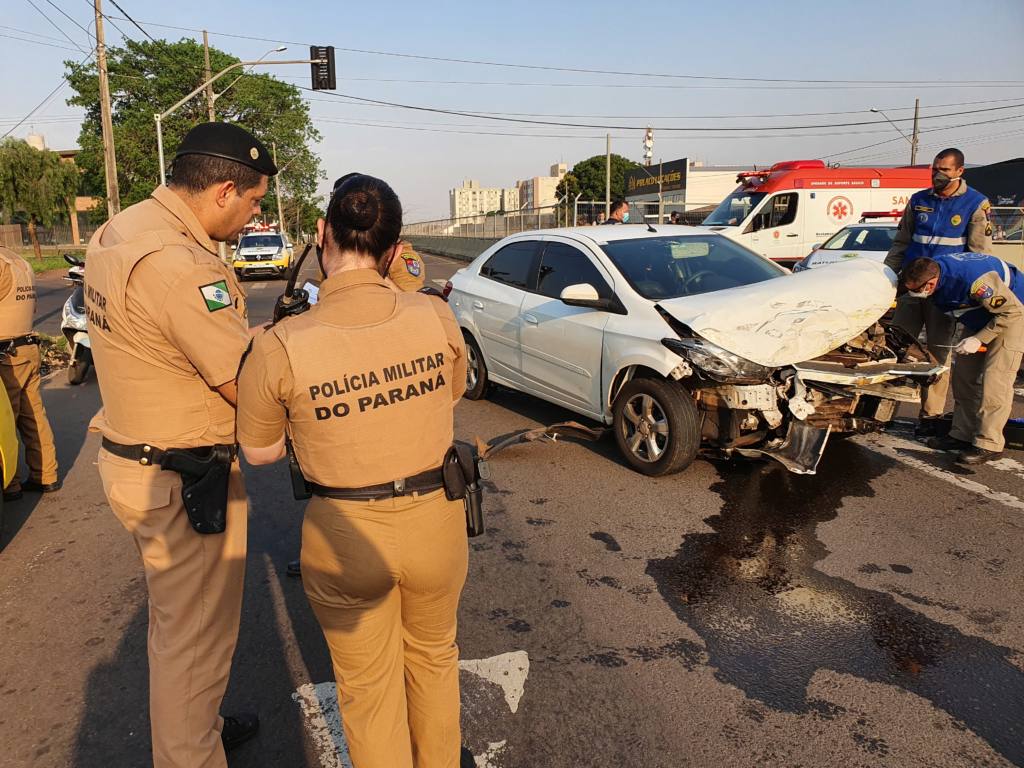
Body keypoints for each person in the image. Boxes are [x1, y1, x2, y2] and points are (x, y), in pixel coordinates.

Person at [237, 174, 470, 768]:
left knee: (366, 691)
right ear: (395, 249)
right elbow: (448, 395)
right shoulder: (434, 316)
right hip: (435, 522)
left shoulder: (282, 341)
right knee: (435, 662)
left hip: (343, 532)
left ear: (321, 235)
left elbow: (259, 454)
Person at [85, 122, 271, 767]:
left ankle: (199, 726)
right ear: (224, 190)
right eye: (253, 203)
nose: (255, 217)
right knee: (192, 642)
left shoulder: (121, 228)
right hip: (183, 478)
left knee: (177, 628)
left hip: (133, 457)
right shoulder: (183, 268)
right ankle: (190, 751)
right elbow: (241, 384)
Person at [884, 148, 992, 438]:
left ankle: (930, 416)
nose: (937, 174)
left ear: (959, 172)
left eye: (944, 170)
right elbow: (901, 243)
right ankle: (885, 409)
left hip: (944, 293)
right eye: (935, 169)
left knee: (936, 354)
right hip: (910, 287)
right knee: (896, 348)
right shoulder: (919, 200)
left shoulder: (976, 204)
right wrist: (887, 277)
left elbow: (978, 254)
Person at [901, 253, 1023, 464]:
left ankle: (989, 443)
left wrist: (979, 339)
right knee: (964, 377)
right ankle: (962, 434)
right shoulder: (932, 269)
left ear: (930, 283)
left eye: (916, 290)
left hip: (1014, 315)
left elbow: (1012, 312)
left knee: (996, 381)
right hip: (983, 317)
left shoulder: (977, 282)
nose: (914, 294)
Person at [0, 246, 59, 501]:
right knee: (34, 415)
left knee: (6, 422)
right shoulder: (19, 262)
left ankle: (10, 485)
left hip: (6, 356)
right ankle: (46, 475)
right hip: (28, 347)